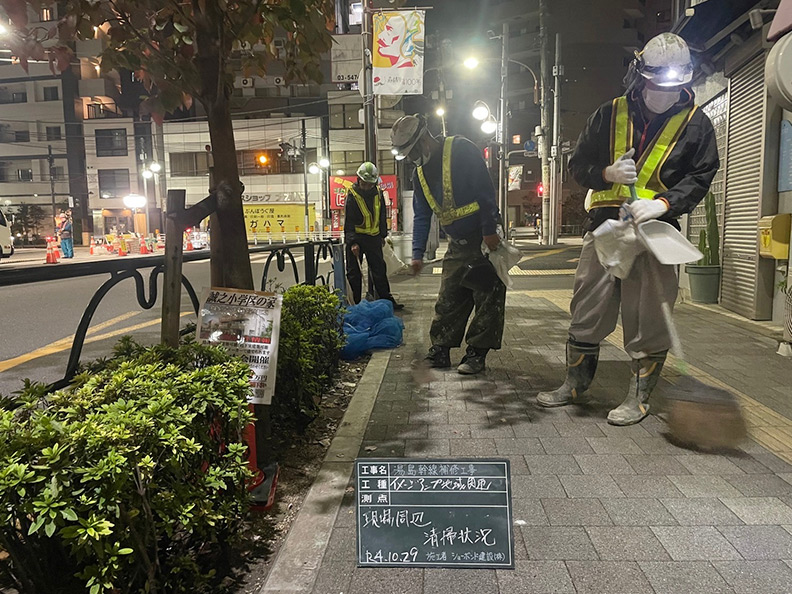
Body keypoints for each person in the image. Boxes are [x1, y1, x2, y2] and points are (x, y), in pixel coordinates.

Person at [537, 32, 719, 426]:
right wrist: (606, 173)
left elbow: (701, 175)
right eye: (656, 84)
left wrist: (663, 203)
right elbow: (577, 165)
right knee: (588, 305)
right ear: (641, 76)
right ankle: (575, 383)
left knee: (649, 314)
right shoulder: (609, 113)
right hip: (606, 227)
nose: (663, 93)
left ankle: (639, 397)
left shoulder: (697, 125)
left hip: (655, 230)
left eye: (673, 86)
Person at [391, 114, 504, 375]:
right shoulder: (419, 175)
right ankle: (440, 350)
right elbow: (422, 216)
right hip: (456, 244)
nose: (410, 159)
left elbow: (486, 191)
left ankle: (476, 354)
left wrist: (490, 230)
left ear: (424, 140)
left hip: (483, 240)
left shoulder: (462, 149)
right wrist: (416, 254)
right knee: (450, 298)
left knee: (487, 299)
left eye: (411, 152)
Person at [344, 162, 403, 310]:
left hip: (374, 238)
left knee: (379, 271)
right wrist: (352, 243)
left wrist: (383, 235)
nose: (367, 187)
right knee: (354, 273)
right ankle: (355, 304)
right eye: (364, 183)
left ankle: (386, 300)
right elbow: (349, 221)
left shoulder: (378, 193)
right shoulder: (352, 195)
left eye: (370, 184)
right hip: (357, 238)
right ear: (359, 180)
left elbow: (382, 215)